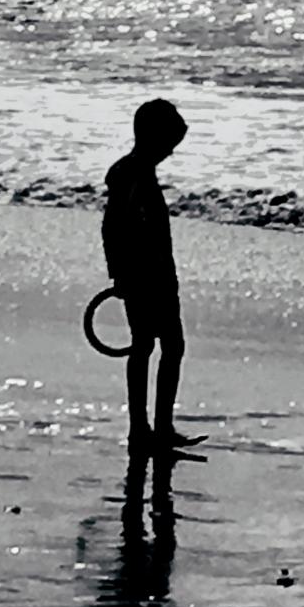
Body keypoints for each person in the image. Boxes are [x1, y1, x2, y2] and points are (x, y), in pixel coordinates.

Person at [101, 98, 202, 454]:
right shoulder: (133, 174)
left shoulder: (136, 171)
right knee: (160, 346)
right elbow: (113, 227)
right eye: (168, 145)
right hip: (146, 274)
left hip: (152, 272)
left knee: (152, 346)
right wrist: (120, 273)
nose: (170, 153)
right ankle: (148, 429)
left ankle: (151, 428)